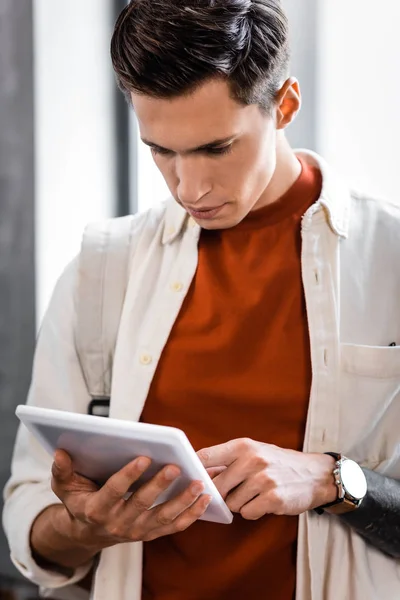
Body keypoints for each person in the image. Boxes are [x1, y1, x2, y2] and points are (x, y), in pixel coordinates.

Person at [3, 1, 400, 599]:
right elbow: (30, 521)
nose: (189, 188)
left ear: (285, 105)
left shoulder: (392, 257)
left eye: (216, 149)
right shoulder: (101, 267)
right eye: (161, 150)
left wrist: (333, 478)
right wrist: (87, 527)